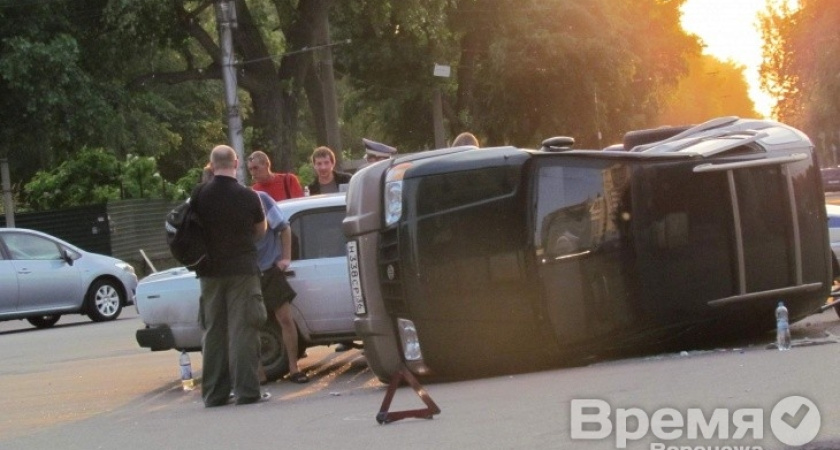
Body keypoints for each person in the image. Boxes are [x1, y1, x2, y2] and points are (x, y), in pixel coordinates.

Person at [191, 145, 269, 407]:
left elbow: (190, 228)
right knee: (243, 330)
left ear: (212, 165)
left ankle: (215, 394)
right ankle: (247, 391)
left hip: (210, 272)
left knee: (213, 331)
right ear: (236, 164)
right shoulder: (248, 196)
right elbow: (260, 230)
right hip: (242, 271)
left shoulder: (199, 194)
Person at [254, 190, 310, 384]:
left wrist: (286, 258)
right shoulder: (227, 205)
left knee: (285, 319)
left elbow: (284, 228)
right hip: (247, 275)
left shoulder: (261, 198)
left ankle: (294, 368)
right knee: (251, 324)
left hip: (270, 271)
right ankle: (259, 374)